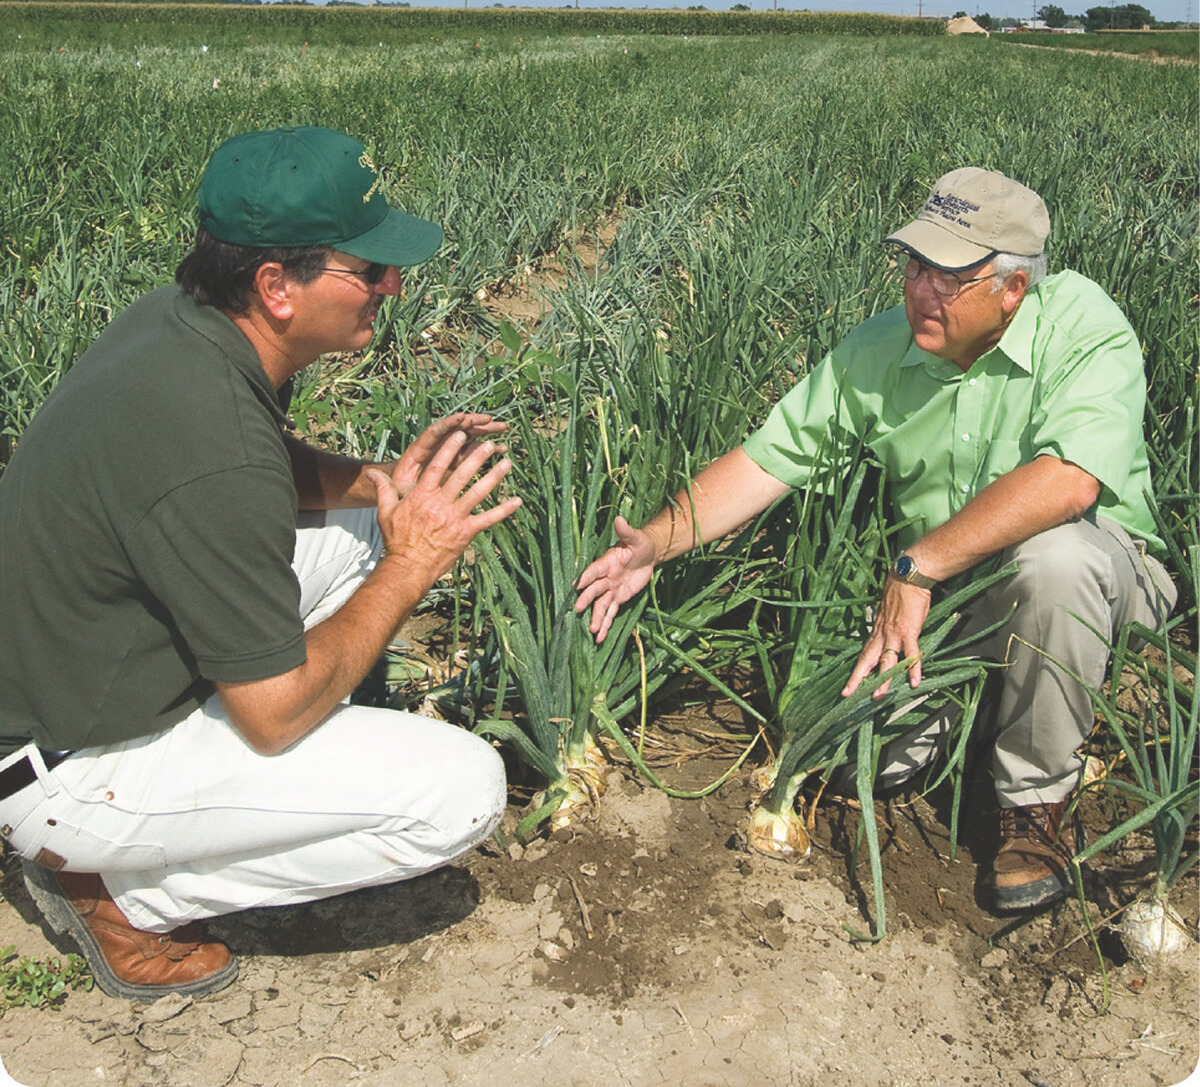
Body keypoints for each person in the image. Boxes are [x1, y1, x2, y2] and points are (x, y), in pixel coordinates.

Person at [0, 126, 522, 1000]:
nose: (392, 285)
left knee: (366, 523)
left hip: (64, 669)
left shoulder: (187, 324)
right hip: (60, 769)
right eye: (368, 269)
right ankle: (124, 890)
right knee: (461, 790)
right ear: (276, 285)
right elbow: (275, 716)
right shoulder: (215, 448)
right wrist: (414, 562)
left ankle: (200, 796)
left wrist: (385, 484)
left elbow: (265, 469)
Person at [576, 167, 1177, 912]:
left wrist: (917, 566)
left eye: (948, 277)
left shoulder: (1083, 324)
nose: (921, 289)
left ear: (1012, 289)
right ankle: (983, 708)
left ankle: (1035, 805)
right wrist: (655, 544)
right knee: (882, 760)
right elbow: (769, 460)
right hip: (956, 596)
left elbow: (1069, 485)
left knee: (1052, 559)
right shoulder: (882, 349)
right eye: (915, 265)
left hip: (1100, 582)